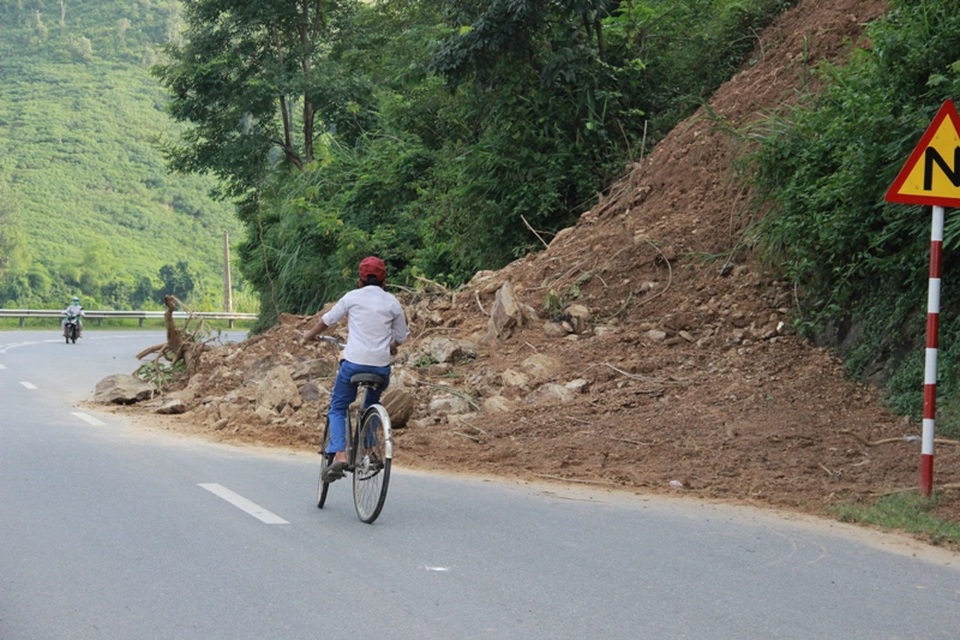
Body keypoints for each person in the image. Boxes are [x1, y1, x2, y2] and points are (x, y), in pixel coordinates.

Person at [303, 256, 408, 482]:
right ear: (384, 281)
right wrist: (391, 347)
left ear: (360, 280)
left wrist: (309, 335)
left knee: (339, 406)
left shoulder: (351, 298)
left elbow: (327, 320)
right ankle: (370, 450)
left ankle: (340, 454)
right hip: (380, 368)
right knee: (372, 402)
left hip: (352, 365)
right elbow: (401, 336)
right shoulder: (392, 302)